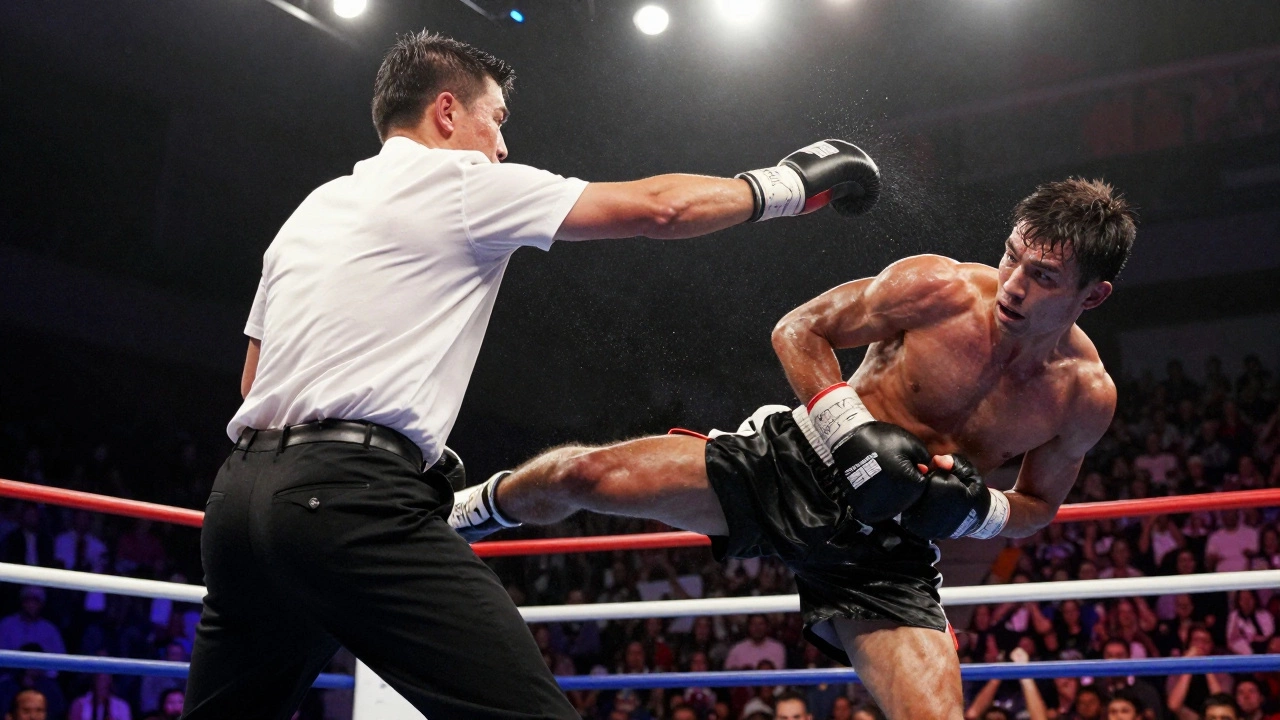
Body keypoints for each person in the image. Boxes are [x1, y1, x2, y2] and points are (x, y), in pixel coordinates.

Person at [183, 29, 881, 720]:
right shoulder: (460, 182)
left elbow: (255, 383)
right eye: (497, 119)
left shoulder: (312, 209)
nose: (503, 145)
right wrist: (790, 184)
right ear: (448, 112)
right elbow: (659, 209)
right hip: (348, 504)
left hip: (240, 503)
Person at [451, 177, 1136, 719]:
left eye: (1043, 276)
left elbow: (1038, 504)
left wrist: (971, 510)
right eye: (1012, 255)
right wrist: (853, 434)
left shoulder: (1083, 396)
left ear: (1094, 296)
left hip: (885, 547)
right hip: (798, 460)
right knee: (580, 473)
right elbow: (799, 329)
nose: (1014, 284)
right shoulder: (938, 289)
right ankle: (463, 510)